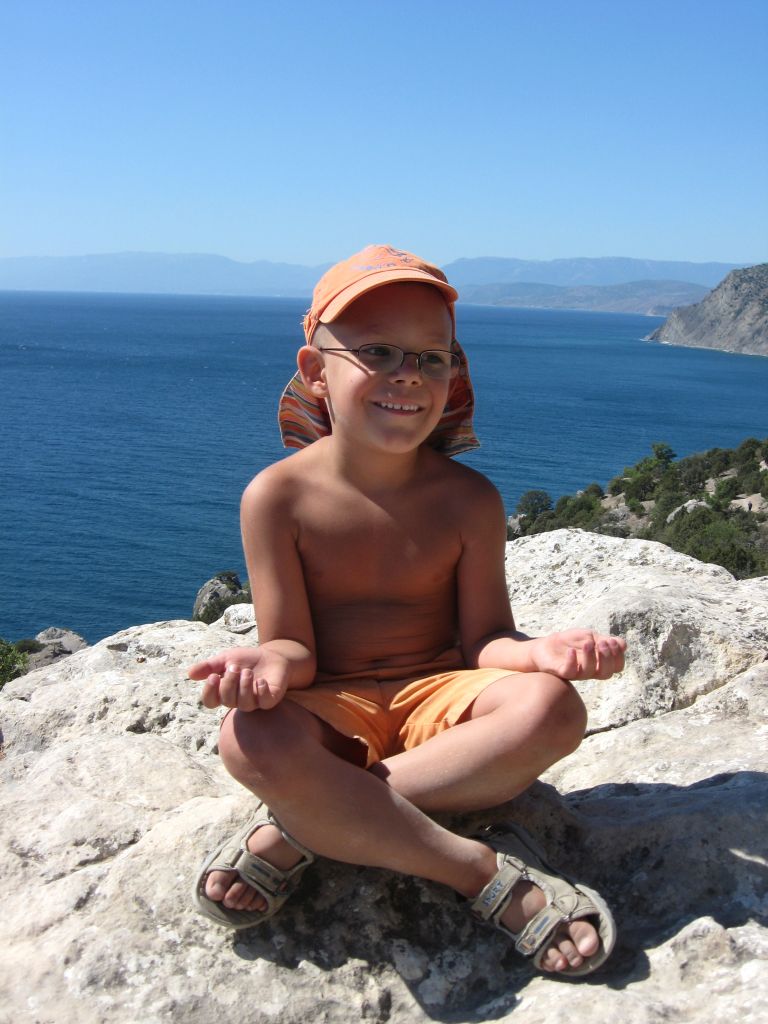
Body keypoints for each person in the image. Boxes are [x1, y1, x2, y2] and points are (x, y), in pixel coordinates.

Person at [188, 244, 626, 976]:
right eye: (378, 352)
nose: (409, 374)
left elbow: (485, 639)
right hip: (334, 705)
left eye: (432, 357)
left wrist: (538, 654)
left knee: (553, 708)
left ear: (455, 372)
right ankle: (477, 870)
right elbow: (293, 648)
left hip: (440, 696)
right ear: (314, 370)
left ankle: (309, 825)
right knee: (247, 738)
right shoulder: (276, 497)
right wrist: (266, 665)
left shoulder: (469, 500)